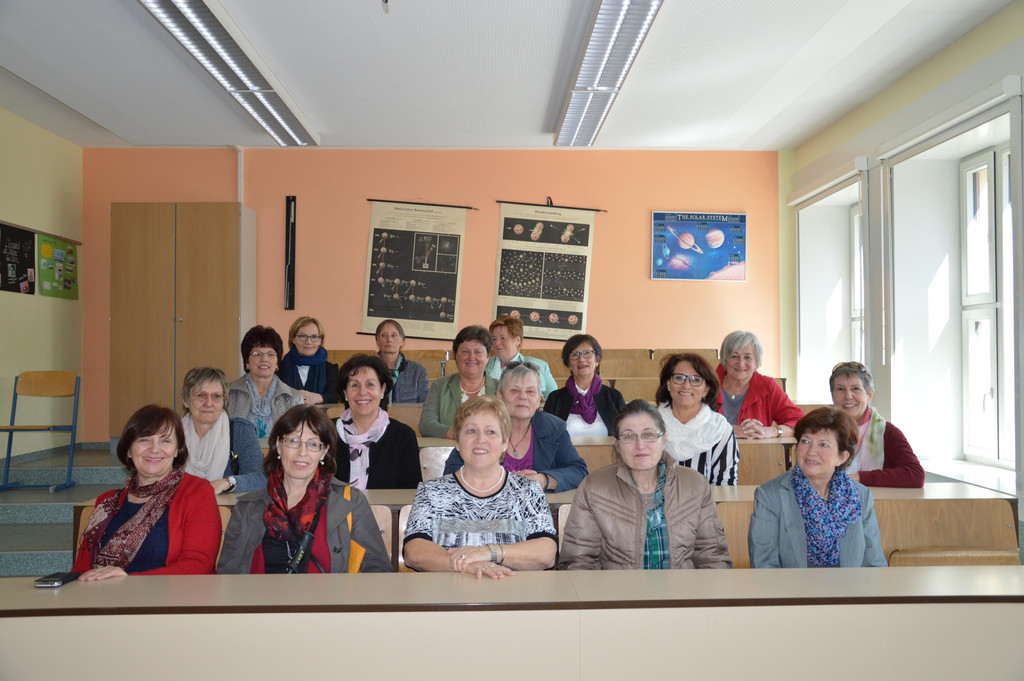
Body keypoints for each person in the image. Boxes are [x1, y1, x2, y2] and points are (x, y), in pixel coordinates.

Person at [217, 405, 392, 574]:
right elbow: (228, 576)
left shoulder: (351, 502)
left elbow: (378, 570)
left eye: (313, 444)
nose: (302, 452)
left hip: (330, 595)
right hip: (261, 595)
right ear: (279, 445)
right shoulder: (247, 508)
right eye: (293, 441)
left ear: (324, 451)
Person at [559, 400, 732, 570]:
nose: (640, 445)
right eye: (628, 436)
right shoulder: (594, 488)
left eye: (648, 435)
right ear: (617, 444)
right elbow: (579, 562)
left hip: (682, 588)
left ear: (664, 439)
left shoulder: (695, 485)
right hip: (617, 589)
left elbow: (713, 558)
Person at [404, 396, 557, 579]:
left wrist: (489, 552)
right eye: (471, 431)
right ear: (457, 442)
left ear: (505, 443)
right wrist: (469, 564)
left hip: (513, 592)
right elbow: (414, 552)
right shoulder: (431, 492)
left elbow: (547, 553)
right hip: (448, 592)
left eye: (491, 432)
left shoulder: (528, 491)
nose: (480, 440)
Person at [72, 405, 221, 580]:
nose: (154, 449)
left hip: (173, 595)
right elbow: (81, 571)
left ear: (177, 450)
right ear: (129, 450)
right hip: (105, 595)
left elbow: (198, 565)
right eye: (144, 440)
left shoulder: (197, 492)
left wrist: (128, 579)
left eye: (165, 441)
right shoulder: (106, 503)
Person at [748, 407, 887, 568]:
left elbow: (874, 564)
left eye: (823, 445)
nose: (811, 452)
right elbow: (764, 566)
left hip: (850, 584)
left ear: (842, 457)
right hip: (791, 585)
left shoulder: (861, 496)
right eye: (805, 441)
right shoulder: (769, 495)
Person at [444, 362, 588, 491]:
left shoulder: (554, 428)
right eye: (514, 390)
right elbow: (451, 472)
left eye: (530, 391)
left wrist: (543, 480)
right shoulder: (482, 426)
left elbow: (578, 471)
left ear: (539, 399)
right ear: (500, 395)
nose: (522, 397)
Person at [830, 361, 925, 487]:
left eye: (855, 389)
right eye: (840, 389)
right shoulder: (821, 431)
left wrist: (858, 477)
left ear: (869, 395)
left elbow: (916, 475)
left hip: (875, 499)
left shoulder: (887, 432)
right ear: (832, 396)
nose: (848, 396)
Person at [335, 354, 421, 489]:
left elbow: (410, 493)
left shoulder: (403, 436)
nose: (362, 392)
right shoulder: (325, 433)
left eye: (370, 385)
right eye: (355, 385)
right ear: (345, 393)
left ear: (382, 390)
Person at [657, 353, 740, 486]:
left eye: (696, 380)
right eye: (679, 378)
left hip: (707, 500)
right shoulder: (651, 424)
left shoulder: (720, 429)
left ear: (706, 389)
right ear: (668, 384)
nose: (686, 386)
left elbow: (725, 485)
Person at [180, 366, 265, 494]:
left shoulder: (241, 431)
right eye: (201, 396)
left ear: (224, 401)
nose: (209, 403)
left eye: (216, 396)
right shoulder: (172, 434)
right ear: (186, 400)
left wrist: (229, 482)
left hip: (225, 506)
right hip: (181, 504)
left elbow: (260, 477)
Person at [715, 330, 804, 439]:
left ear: (756, 362)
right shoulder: (707, 385)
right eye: (734, 356)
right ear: (725, 359)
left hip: (756, 450)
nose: (741, 364)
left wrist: (772, 431)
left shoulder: (767, 386)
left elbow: (801, 423)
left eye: (747, 357)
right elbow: (695, 426)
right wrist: (729, 430)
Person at [419, 325, 499, 438]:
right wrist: (452, 432)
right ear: (455, 356)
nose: (471, 357)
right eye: (465, 351)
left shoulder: (501, 388)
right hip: (450, 448)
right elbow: (426, 424)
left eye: (478, 352)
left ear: (488, 356)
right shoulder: (440, 386)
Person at [227, 325, 303, 438]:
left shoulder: (294, 398)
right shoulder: (228, 393)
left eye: (270, 354)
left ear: (277, 362)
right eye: (257, 354)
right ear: (247, 361)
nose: (264, 359)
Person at [543, 333, 625, 437]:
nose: (581, 359)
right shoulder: (555, 399)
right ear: (568, 364)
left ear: (597, 360)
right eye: (575, 354)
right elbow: (547, 437)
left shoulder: (614, 397)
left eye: (587, 353)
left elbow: (624, 434)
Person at [484, 315, 557, 398]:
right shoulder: (484, 364)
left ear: (518, 340)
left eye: (503, 338)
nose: (497, 343)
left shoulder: (540, 366)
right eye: (494, 339)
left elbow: (555, 400)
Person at [278, 316, 340, 406]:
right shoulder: (279, 368)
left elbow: (334, 397)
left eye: (314, 337)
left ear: (320, 341)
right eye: (303, 336)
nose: (308, 342)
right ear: (293, 339)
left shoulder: (330, 369)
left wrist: (319, 397)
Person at [375, 319, 429, 403]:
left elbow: (424, 404)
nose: (389, 340)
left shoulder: (418, 371)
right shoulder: (370, 369)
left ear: (402, 341)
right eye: (384, 335)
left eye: (393, 335)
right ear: (377, 342)